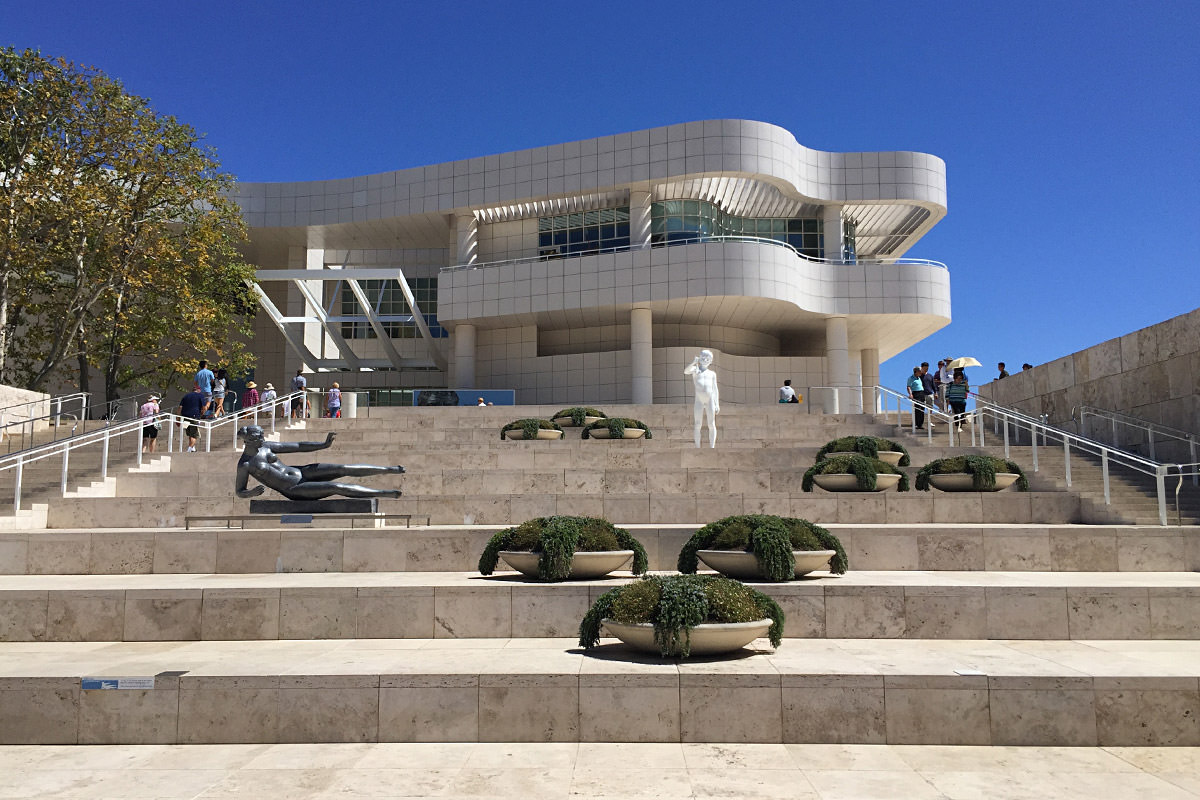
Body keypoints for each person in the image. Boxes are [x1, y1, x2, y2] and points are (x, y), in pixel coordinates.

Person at [235, 426, 404, 500]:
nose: (263, 439)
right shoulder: (245, 464)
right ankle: (384, 493)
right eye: (259, 437)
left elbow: (298, 446)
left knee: (342, 468)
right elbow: (239, 491)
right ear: (248, 440)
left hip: (301, 472)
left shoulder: (266, 446)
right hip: (293, 489)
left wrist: (323, 445)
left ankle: (388, 469)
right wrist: (251, 493)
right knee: (336, 487)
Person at [684, 349, 719, 448]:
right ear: (700, 357)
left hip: (710, 399)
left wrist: (717, 404)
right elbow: (686, 371)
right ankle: (697, 447)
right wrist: (694, 363)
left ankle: (712, 446)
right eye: (703, 357)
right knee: (697, 424)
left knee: (711, 424)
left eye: (708, 358)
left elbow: (715, 389)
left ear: (711, 361)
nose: (705, 360)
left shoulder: (712, 374)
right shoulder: (696, 370)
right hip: (699, 400)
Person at [177, 385, 205, 452]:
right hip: (194, 417)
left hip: (185, 417)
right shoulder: (200, 395)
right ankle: (189, 449)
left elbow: (180, 407)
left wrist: (178, 417)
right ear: (198, 390)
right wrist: (202, 414)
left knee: (190, 433)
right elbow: (204, 407)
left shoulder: (185, 396)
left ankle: (193, 448)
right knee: (194, 434)